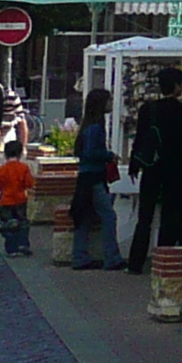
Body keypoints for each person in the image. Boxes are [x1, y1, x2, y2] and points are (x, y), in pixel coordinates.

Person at [124, 72, 182, 265]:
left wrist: (135, 163)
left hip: (151, 168)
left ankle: (135, 261)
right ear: (175, 86)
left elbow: (140, 138)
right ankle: (163, 258)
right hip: (174, 169)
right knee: (169, 214)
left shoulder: (148, 109)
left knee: (145, 216)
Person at [70, 88, 124, 270]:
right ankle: (112, 257)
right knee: (108, 215)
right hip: (94, 177)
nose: (111, 104)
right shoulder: (95, 128)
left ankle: (80, 256)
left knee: (83, 216)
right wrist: (109, 156)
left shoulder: (89, 125)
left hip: (87, 176)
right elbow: (92, 152)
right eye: (108, 101)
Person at [0, 141, 35, 257]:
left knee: (7, 224)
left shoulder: (1, 169)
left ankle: (11, 247)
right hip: (20, 200)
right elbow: (29, 183)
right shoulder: (24, 168)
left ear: (5, 154)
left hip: (5, 201)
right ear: (20, 154)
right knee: (22, 223)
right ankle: (23, 244)